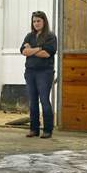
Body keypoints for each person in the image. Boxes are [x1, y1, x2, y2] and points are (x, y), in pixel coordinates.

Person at [21, 11, 58, 139]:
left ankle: (47, 130)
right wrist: (38, 48)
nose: (36, 23)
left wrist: (31, 49)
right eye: (34, 21)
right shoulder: (29, 36)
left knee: (44, 100)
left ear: (44, 21)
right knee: (32, 102)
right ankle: (34, 129)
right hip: (30, 72)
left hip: (45, 72)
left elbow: (47, 54)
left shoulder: (50, 36)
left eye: (38, 21)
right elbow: (24, 51)